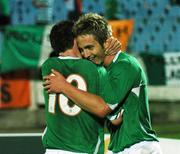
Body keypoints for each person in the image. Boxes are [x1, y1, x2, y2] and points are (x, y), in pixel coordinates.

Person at [44, 13, 162, 154]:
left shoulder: (125, 66)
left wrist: (63, 86)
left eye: (90, 47)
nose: (86, 54)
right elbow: (114, 119)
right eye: (82, 49)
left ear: (106, 42)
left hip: (139, 146)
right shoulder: (102, 70)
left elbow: (103, 108)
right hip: (123, 147)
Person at [41, 20, 122, 154]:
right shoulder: (96, 70)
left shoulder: (48, 67)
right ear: (75, 41)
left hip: (52, 149)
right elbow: (114, 118)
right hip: (84, 148)